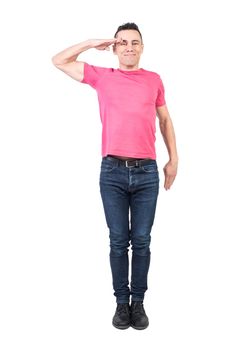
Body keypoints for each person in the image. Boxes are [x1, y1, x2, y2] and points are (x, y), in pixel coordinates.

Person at [52, 22, 178, 330]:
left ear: (142, 47)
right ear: (115, 47)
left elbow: (164, 120)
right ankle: (122, 304)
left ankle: (139, 303)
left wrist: (174, 159)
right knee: (119, 241)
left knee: (143, 241)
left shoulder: (153, 79)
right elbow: (59, 60)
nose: (129, 47)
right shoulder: (102, 77)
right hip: (112, 173)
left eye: (135, 42)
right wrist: (90, 42)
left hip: (147, 172)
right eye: (123, 43)